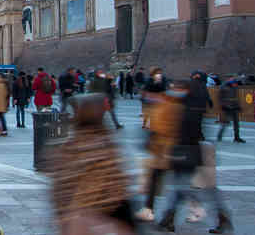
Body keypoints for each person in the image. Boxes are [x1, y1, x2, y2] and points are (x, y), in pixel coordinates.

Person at [156, 74, 233, 233]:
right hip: (191, 150)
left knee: (187, 187)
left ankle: (222, 218)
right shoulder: (192, 105)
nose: (174, 90)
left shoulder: (186, 107)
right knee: (190, 187)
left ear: (185, 90)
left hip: (186, 151)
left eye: (177, 88)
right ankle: (168, 220)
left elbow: (185, 131)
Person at [51, 93, 134, 232]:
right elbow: (118, 189)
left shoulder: (69, 147)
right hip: (101, 221)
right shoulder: (106, 145)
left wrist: (64, 218)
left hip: (77, 220)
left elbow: (59, 188)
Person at [136, 78, 182, 223]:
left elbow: (159, 128)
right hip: (173, 150)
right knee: (175, 182)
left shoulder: (163, 106)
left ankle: (150, 210)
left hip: (164, 150)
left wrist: (151, 140)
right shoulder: (178, 106)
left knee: (158, 181)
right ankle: (150, 210)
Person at [217, 77, 245, 143]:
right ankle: (219, 135)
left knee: (236, 123)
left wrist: (238, 106)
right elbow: (219, 98)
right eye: (235, 84)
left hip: (234, 107)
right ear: (231, 83)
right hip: (227, 107)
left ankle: (237, 137)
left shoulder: (234, 88)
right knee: (225, 122)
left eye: (236, 84)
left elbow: (236, 97)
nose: (236, 85)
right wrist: (223, 105)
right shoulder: (223, 87)